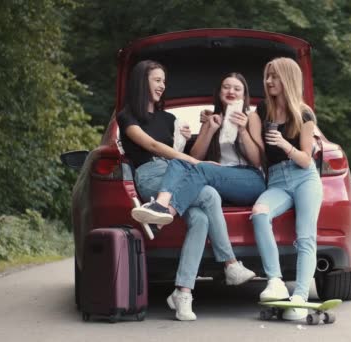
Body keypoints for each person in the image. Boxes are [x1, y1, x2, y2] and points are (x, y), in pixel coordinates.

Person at [117, 61, 257, 321]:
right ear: (141, 81)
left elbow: (177, 157)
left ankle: (183, 291)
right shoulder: (127, 116)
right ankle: (229, 264)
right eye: (157, 80)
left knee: (204, 213)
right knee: (208, 194)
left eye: (163, 81)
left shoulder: (170, 118)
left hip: (173, 176)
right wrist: (194, 162)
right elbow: (151, 145)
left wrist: (189, 140)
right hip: (149, 174)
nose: (162, 86)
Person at [250, 57, 323, 321]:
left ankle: (300, 297)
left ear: (288, 80)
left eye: (275, 76)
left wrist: (283, 143)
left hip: (304, 178)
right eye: (267, 76)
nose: (269, 81)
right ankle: (275, 281)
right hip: (277, 181)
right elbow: (254, 149)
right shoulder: (262, 111)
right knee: (259, 213)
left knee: (305, 237)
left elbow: (306, 159)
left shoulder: (304, 114)